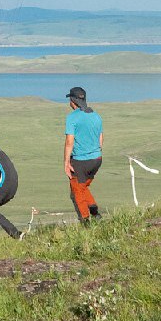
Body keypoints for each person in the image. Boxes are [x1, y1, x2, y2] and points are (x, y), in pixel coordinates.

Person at [64, 86, 103, 224]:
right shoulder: (96, 115)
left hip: (81, 161)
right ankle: (95, 212)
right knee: (83, 186)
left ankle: (85, 221)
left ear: (73, 100)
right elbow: (100, 139)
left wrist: (66, 163)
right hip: (97, 159)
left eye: (70, 99)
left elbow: (69, 142)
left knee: (77, 189)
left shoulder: (72, 118)